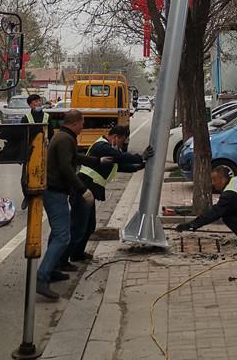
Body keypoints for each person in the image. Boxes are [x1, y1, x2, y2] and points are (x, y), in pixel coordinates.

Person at [68, 126, 153, 263]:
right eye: (122, 141)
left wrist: (139, 165)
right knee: (79, 226)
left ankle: (78, 254)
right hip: (83, 189)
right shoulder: (102, 146)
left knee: (89, 226)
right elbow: (120, 157)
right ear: (115, 137)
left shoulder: (108, 150)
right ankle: (68, 258)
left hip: (89, 190)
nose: (122, 145)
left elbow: (118, 165)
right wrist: (139, 157)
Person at [36, 109, 94, 300]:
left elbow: (74, 158)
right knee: (63, 236)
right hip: (55, 192)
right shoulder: (65, 139)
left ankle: (52, 270)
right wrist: (82, 189)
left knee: (57, 232)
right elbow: (66, 167)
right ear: (76, 123)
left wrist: (97, 160)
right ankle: (42, 277)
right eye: (82, 123)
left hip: (56, 191)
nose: (83, 127)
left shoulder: (63, 137)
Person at [175, 166, 237, 244]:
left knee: (226, 215)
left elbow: (214, 213)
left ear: (222, 179)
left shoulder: (228, 195)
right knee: (228, 211)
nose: (213, 184)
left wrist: (192, 225)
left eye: (214, 180)